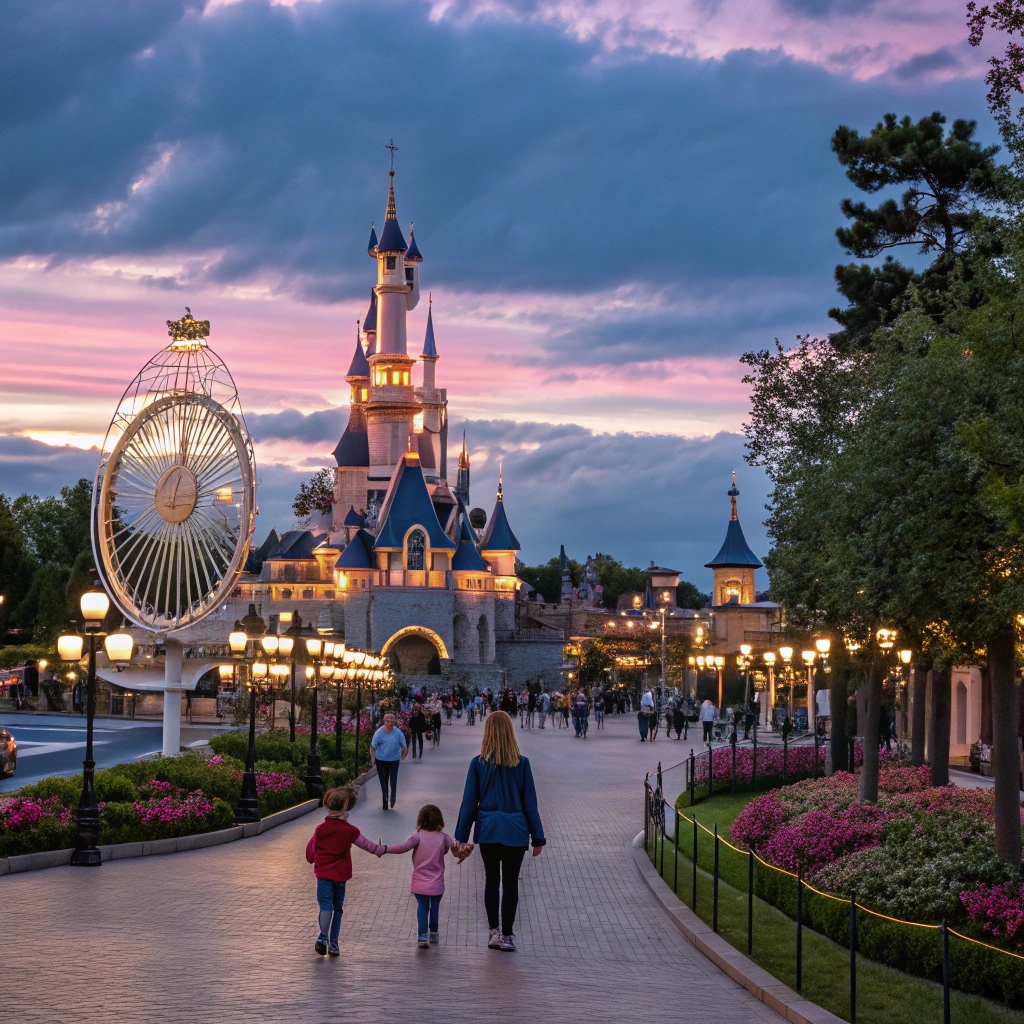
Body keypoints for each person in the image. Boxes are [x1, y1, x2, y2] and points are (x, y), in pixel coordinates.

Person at [454, 711, 545, 953]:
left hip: (488, 828)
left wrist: (461, 836)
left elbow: (469, 801)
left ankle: (493, 932)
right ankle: (508, 935)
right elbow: (530, 804)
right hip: (516, 830)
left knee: (492, 881)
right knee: (511, 883)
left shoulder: (478, 763)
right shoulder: (522, 764)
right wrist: (538, 837)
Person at [305, 786, 386, 957]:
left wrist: (313, 858)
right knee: (338, 909)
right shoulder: (350, 831)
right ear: (344, 807)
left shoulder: (320, 829)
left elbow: (310, 852)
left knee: (325, 906)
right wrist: (381, 850)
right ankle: (334, 943)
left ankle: (322, 938)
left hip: (323, 874)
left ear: (328, 805)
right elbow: (368, 845)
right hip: (341, 875)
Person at [385, 804, 474, 947]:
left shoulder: (417, 836)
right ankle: (434, 933)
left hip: (419, 881)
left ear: (421, 820)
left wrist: (385, 849)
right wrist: (464, 850)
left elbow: (402, 847)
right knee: (435, 907)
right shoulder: (444, 838)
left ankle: (422, 935)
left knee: (422, 907)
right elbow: (455, 850)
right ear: (439, 821)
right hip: (437, 881)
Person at [370, 712, 408, 810]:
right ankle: (385, 800)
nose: (390, 721)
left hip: (394, 760)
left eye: (392, 719)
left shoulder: (398, 733)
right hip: (381, 760)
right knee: (384, 781)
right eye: (388, 719)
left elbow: (403, 746)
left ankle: (393, 797)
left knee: (393, 780)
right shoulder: (379, 733)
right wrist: (373, 760)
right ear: (384, 721)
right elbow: (373, 747)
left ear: (394, 721)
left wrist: (404, 755)